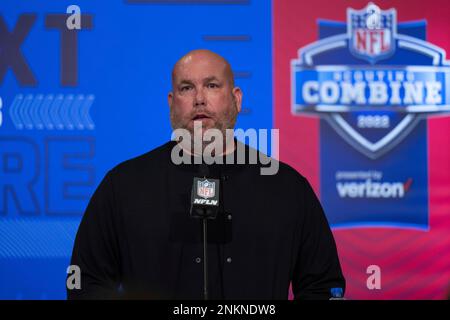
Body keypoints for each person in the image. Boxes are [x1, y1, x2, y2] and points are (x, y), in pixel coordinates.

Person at [67, 49, 345, 300]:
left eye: (212, 85)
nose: (199, 99)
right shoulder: (123, 186)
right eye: (187, 88)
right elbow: (85, 284)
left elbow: (322, 286)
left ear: (236, 99)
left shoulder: (287, 188)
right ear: (171, 102)